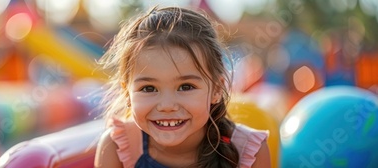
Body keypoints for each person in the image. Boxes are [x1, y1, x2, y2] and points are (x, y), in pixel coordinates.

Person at [94, 6, 270, 168]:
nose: (167, 105)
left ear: (217, 89)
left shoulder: (248, 151)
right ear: (127, 94)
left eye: (186, 86)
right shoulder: (117, 147)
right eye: (149, 88)